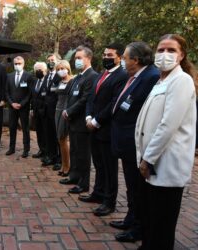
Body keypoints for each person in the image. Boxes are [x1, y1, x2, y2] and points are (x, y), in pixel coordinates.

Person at [135, 34, 197, 250]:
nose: (165, 55)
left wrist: (147, 159)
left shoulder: (182, 80)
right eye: (161, 50)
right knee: (151, 218)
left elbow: (168, 124)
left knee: (162, 223)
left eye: (171, 50)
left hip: (166, 162)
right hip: (153, 162)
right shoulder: (162, 80)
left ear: (181, 55)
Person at [110, 42, 160, 243]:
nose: (122, 61)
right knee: (131, 185)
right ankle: (131, 218)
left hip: (135, 142)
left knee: (138, 188)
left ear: (136, 60)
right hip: (125, 140)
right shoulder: (135, 77)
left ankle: (138, 227)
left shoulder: (151, 77)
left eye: (124, 57)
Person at [79, 44, 128, 216]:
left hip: (106, 128)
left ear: (119, 57)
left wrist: (97, 121)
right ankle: (98, 193)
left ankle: (109, 201)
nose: (106, 57)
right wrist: (88, 117)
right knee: (99, 164)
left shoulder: (122, 76)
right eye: (105, 54)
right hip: (93, 126)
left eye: (110, 55)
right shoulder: (102, 74)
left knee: (109, 168)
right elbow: (92, 98)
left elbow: (114, 102)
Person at [60, 46, 98, 194]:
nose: (76, 61)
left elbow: (85, 99)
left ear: (88, 59)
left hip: (82, 122)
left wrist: (69, 111)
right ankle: (74, 176)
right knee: (75, 151)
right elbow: (72, 96)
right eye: (76, 58)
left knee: (83, 154)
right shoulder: (79, 76)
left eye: (79, 58)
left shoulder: (92, 76)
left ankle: (84, 183)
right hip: (73, 121)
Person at [5, 56, 33, 158]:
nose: (17, 65)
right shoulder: (9, 76)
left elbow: (29, 93)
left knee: (25, 128)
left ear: (23, 64)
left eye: (19, 63)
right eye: (16, 64)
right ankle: (11, 148)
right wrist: (11, 103)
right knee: (12, 127)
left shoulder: (29, 76)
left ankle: (26, 149)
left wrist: (22, 104)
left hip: (23, 107)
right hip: (12, 107)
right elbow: (6, 92)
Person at [41, 54, 61, 168]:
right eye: (48, 61)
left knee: (58, 136)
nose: (50, 62)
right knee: (49, 135)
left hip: (56, 110)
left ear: (58, 61)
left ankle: (59, 159)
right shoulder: (47, 75)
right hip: (47, 111)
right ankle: (51, 156)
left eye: (52, 60)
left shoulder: (60, 75)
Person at [53, 60, 72, 177]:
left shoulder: (73, 80)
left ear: (68, 68)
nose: (60, 71)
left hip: (66, 111)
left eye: (62, 68)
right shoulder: (60, 81)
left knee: (64, 138)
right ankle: (63, 164)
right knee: (60, 139)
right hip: (57, 110)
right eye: (58, 69)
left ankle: (68, 166)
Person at [31, 62, 48, 160]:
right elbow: (33, 96)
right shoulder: (35, 81)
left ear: (45, 70)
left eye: (40, 69)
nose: (38, 71)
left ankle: (47, 152)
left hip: (45, 111)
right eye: (36, 70)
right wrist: (32, 109)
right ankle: (41, 149)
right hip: (36, 111)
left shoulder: (47, 81)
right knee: (39, 132)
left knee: (46, 132)